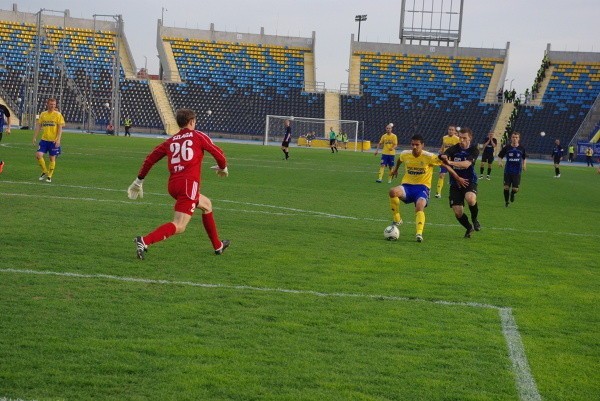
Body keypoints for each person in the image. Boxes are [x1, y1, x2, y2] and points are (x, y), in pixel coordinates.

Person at [127, 108, 230, 259]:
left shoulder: (170, 140)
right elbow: (218, 153)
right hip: (188, 185)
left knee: (206, 205)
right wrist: (223, 167)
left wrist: (139, 181)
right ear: (192, 122)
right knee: (179, 225)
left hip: (174, 185)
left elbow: (150, 159)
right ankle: (144, 241)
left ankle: (218, 246)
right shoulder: (198, 135)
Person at [389, 134, 465, 243]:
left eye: (417, 145)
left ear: (422, 145)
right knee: (392, 192)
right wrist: (395, 169)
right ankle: (397, 219)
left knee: (419, 207)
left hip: (422, 187)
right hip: (407, 186)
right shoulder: (405, 154)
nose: (414, 147)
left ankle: (419, 233)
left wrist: (457, 177)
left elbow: (445, 165)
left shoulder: (429, 157)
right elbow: (400, 160)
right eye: (413, 144)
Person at [440, 127, 481, 238]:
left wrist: (450, 162)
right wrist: (444, 157)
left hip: (469, 180)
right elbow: (444, 159)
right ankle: (469, 227)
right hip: (455, 182)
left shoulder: (474, 150)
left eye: (464, 138)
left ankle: (474, 219)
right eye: (460, 138)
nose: (461, 140)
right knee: (458, 212)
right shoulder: (454, 149)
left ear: (470, 138)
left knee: (471, 199)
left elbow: (467, 164)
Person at [32, 98, 65, 183]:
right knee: (38, 155)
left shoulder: (58, 115)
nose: (52, 106)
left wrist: (58, 139)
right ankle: (44, 171)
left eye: (54, 104)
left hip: (53, 141)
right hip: (44, 140)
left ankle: (49, 176)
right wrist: (35, 137)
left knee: (52, 158)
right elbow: (39, 126)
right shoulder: (43, 114)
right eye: (51, 104)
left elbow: (60, 128)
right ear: (47, 104)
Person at [498, 132, 528, 207]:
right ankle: (506, 202)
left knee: (515, 189)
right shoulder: (507, 147)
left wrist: (524, 165)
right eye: (513, 137)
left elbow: (524, 158)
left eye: (516, 137)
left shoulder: (522, 148)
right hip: (507, 171)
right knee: (506, 187)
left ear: (519, 139)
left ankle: (512, 194)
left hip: (517, 172)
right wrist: (500, 162)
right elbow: (500, 156)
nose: (515, 139)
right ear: (511, 138)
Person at [434, 125, 460, 198]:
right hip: (444, 160)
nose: (450, 131)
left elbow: (459, 149)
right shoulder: (444, 137)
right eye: (449, 129)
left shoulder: (457, 139)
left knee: (455, 176)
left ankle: (457, 193)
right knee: (442, 175)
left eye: (452, 130)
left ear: (455, 131)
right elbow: (443, 146)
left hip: (453, 161)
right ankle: (438, 193)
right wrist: (441, 151)